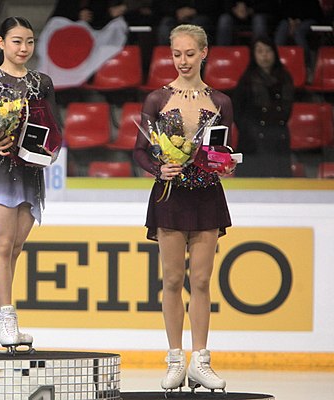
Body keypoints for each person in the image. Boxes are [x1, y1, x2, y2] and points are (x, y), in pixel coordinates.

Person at [133, 24, 234, 393]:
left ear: (204, 52)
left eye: (190, 53)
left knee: (203, 282)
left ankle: (201, 361)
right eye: (177, 54)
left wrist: (227, 163)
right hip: (170, 197)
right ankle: (176, 359)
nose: (184, 60)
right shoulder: (157, 100)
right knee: (173, 280)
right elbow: (139, 150)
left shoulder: (221, 102)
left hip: (207, 196)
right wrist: (158, 168)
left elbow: (225, 151)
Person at [0, 16, 62, 353]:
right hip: (1, 168)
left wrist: (48, 150)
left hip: (31, 170)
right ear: (1, 43)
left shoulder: (42, 81)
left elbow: (55, 128)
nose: (24, 48)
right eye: (17, 41)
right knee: (2, 246)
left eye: (30, 41)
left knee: (15, 248)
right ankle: (7, 317)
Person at [233, 36, 294, 177]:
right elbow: (237, 110)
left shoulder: (285, 77)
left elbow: (287, 108)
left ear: (275, 53)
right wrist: (251, 130)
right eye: (260, 51)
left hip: (277, 136)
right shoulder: (246, 79)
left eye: (268, 51)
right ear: (254, 55)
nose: (264, 55)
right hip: (252, 140)